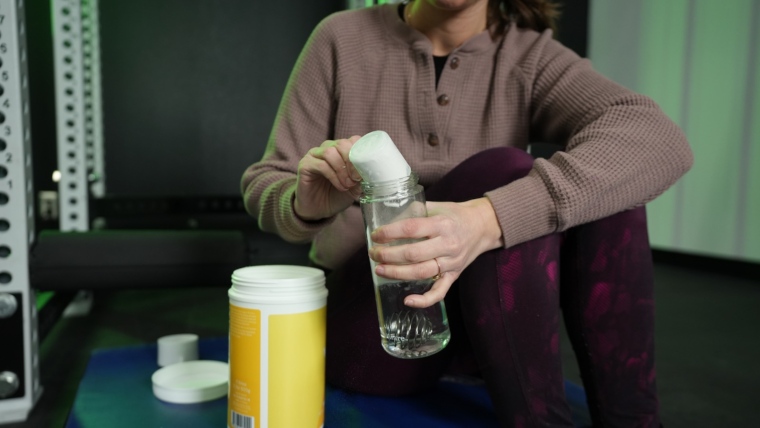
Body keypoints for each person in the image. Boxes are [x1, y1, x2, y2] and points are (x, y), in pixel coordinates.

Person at [241, 0, 693, 426]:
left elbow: (661, 142)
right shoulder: (341, 38)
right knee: (507, 167)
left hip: (487, 332)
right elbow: (266, 183)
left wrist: (485, 220)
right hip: (378, 332)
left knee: (612, 186)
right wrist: (305, 202)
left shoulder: (529, 55)